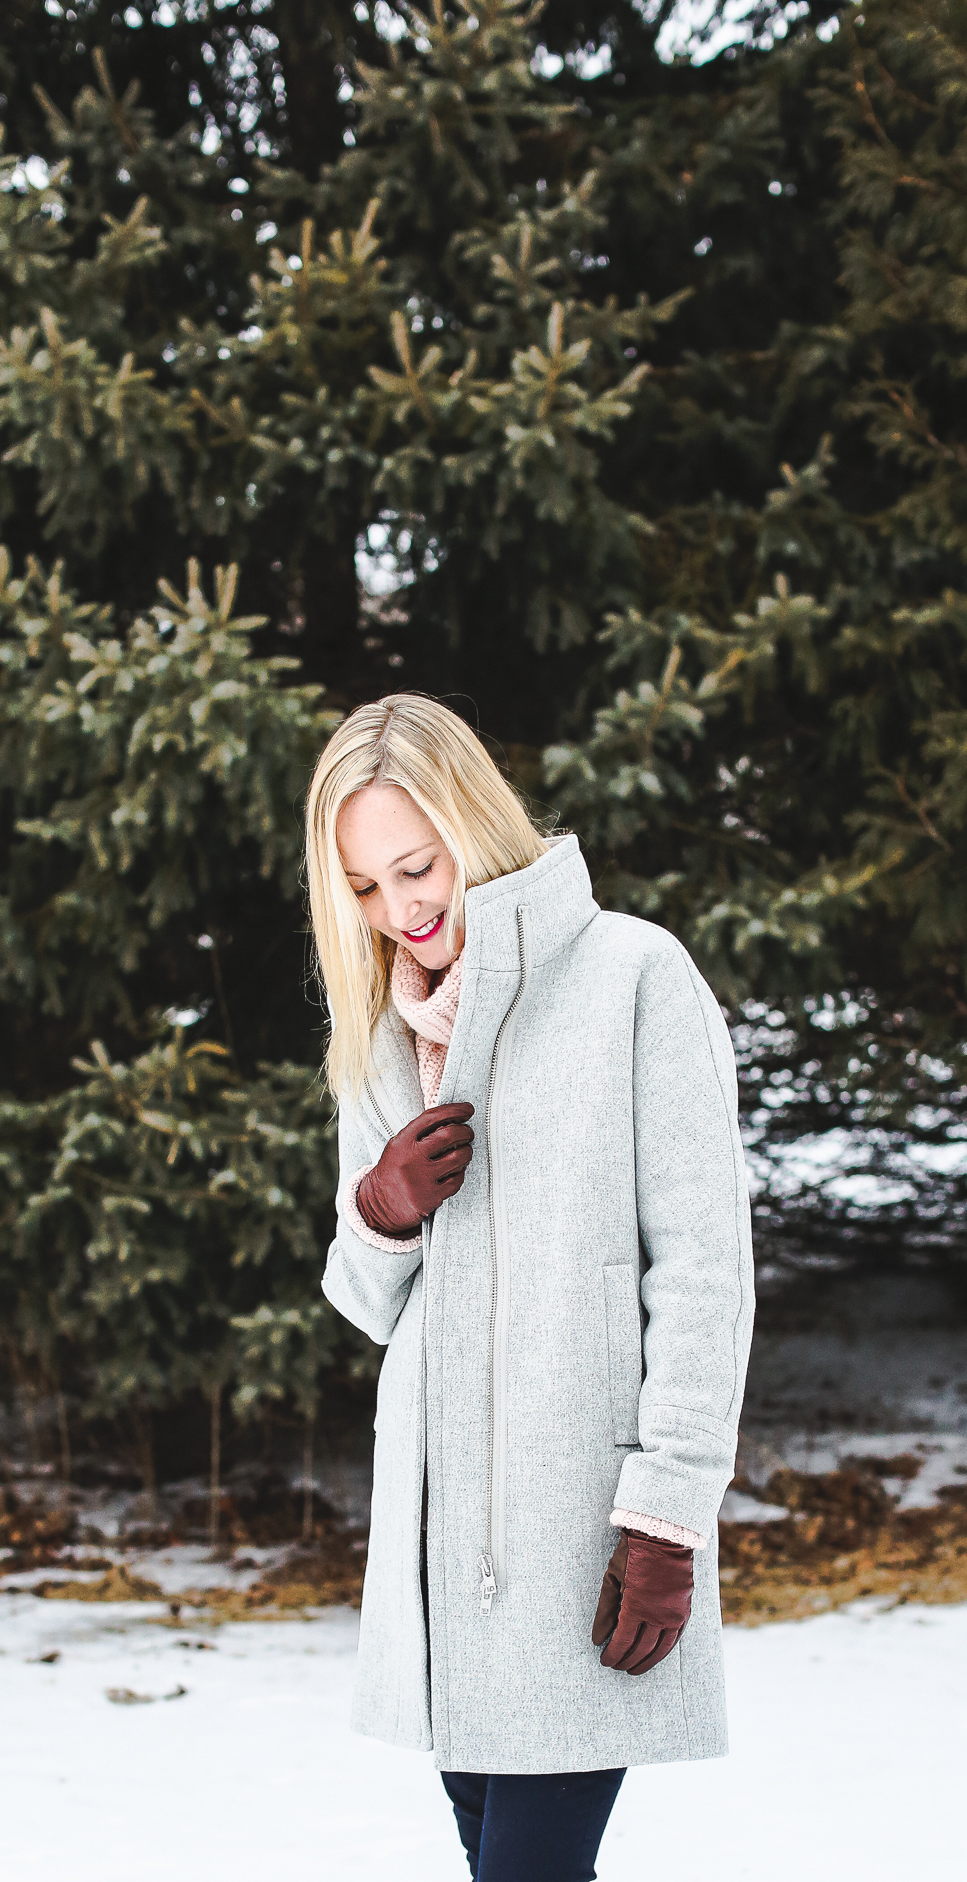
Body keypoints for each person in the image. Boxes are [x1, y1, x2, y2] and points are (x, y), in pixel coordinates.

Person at [304, 695, 754, 1882]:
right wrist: (382, 1215)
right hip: (444, 1554)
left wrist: (668, 1512)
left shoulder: (633, 977)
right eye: (364, 888)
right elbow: (366, 1304)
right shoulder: (383, 1036)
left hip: (581, 1548)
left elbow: (707, 1276)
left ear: (474, 821)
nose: (402, 909)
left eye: (418, 864)